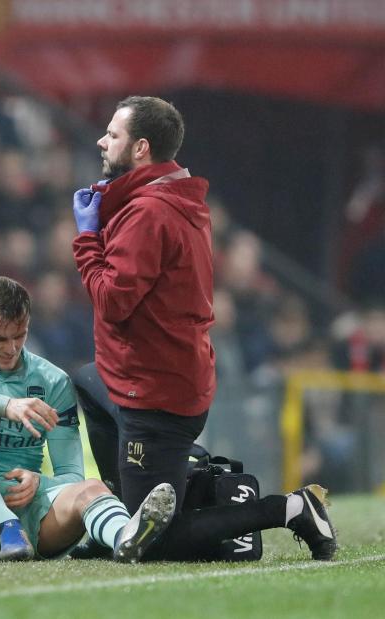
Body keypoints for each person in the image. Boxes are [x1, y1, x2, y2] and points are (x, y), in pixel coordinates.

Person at [70, 95, 336, 561]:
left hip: (154, 394)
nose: (101, 140)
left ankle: (292, 509)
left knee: (154, 544)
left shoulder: (148, 212)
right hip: (154, 375)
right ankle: (138, 500)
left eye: (112, 134)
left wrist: (88, 239)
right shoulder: (174, 197)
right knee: (86, 381)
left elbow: (112, 301)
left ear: (140, 149)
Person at [0, 276, 176, 562]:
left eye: (19, 335)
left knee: (92, 489)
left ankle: (125, 537)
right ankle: (3, 524)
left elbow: (72, 476)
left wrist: (39, 481)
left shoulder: (52, 382)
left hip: (28, 522)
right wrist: (6, 405)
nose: (11, 348)